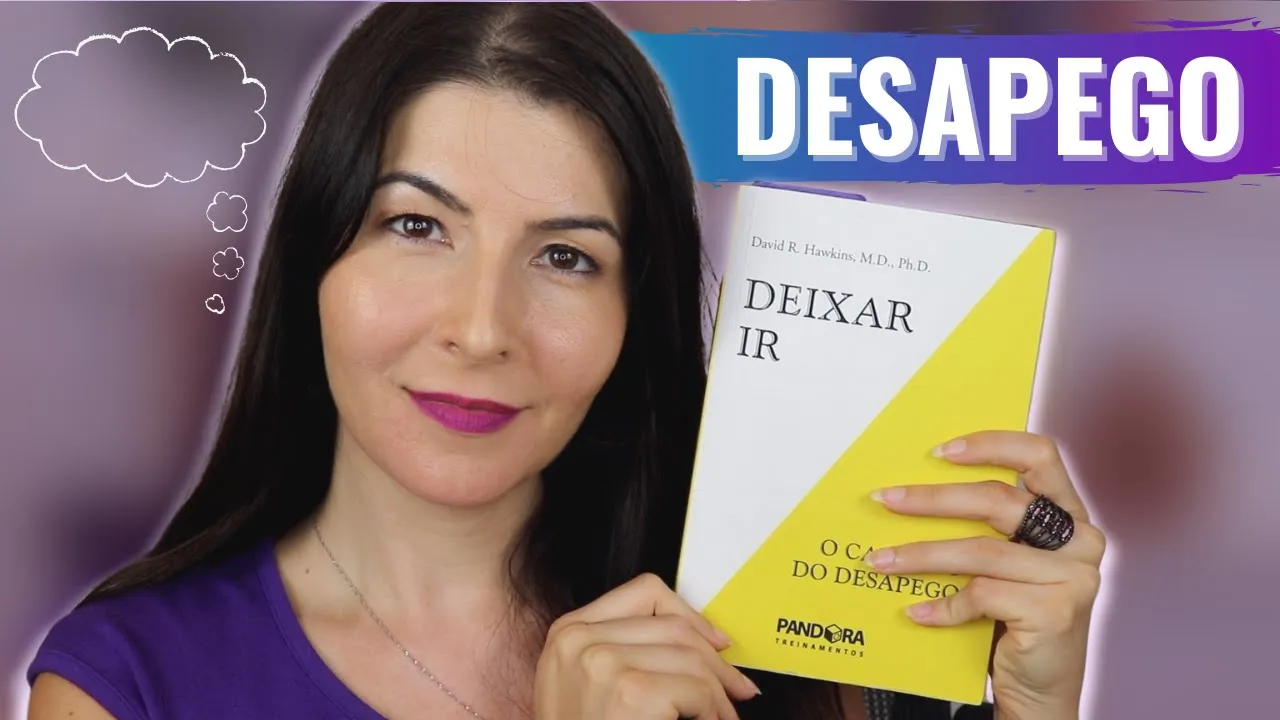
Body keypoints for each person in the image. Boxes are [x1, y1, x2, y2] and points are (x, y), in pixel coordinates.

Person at [26, 3, 1105, 720]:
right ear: (316, 258)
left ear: (635, 311)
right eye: (417, 227)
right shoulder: (126, 682)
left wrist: (1035, 709)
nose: (482, 328)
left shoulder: (781, 648)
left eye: (565, 257)